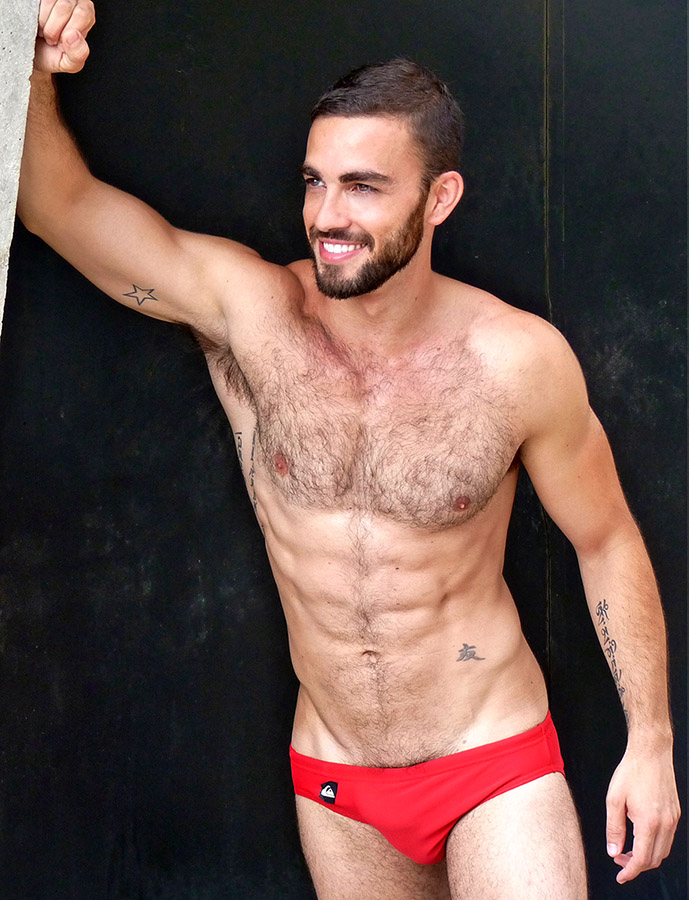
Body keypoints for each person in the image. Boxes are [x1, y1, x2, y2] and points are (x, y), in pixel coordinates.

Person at [17, 3, 680, 897]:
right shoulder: (253, 316)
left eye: (363, 186)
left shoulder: (516, 360)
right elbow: (56, 205)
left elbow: (605, 538)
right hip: (334, 779)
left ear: (438, 198)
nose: (327, 215)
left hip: (491, 758)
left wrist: (650, 742)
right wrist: (27, 55)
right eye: (314, 182)